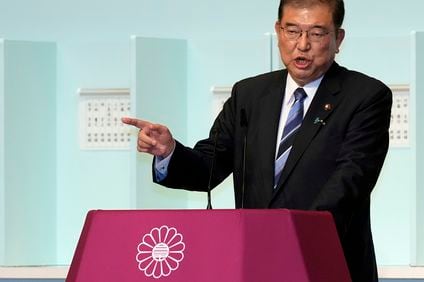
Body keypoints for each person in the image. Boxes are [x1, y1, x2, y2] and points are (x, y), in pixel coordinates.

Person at [122, 0, 392, 280]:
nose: (302, 45)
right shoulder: (250, 95)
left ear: (338, 38)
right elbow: (209, 167)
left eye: (316, 33)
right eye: (292, 31)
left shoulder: (365, 97)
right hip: (254, 263)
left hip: (327, 262)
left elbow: (350, 182)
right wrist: (169, 152)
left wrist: (292, 238)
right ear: (278, 31)